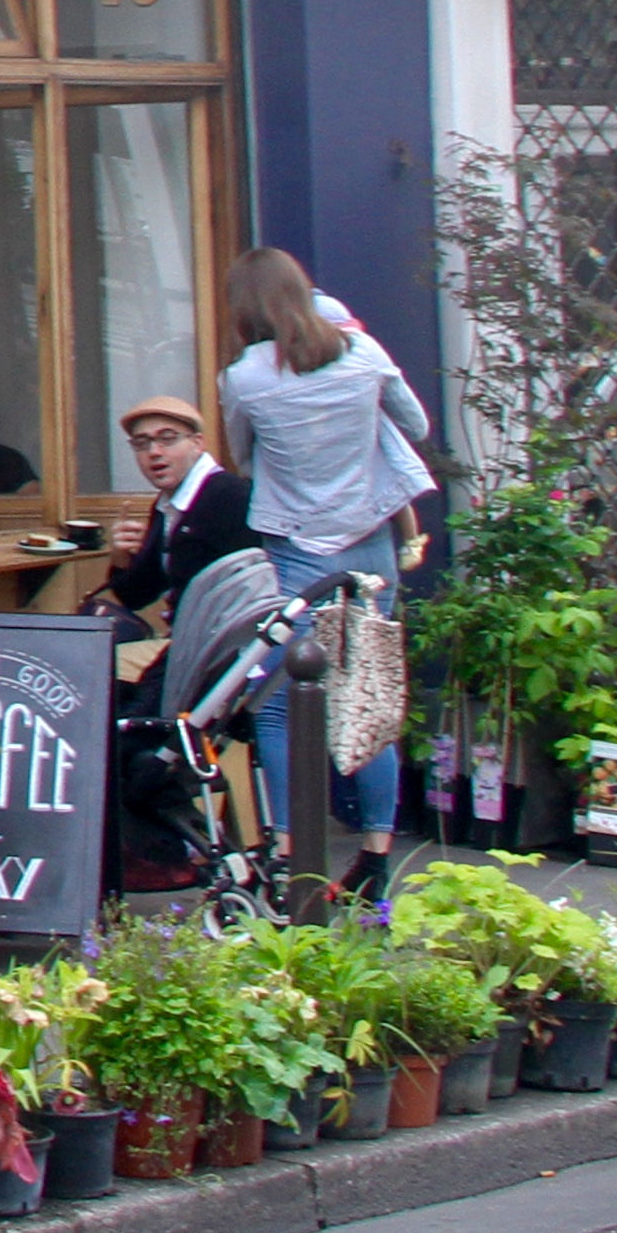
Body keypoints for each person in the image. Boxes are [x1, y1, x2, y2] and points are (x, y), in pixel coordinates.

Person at [219, 246, 440, 886]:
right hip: (372, 542)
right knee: (366, 698)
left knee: (278, 704)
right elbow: (417, 425)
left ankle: (290, 851)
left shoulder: (244, 378)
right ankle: (374, 855)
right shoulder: (362, 354)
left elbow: (241, 455)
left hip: (296, 548)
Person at [98, 394, 261, 695]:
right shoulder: (168, 505)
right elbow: (136, 596)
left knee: (100, 683)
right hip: (185, 644)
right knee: (92, 667)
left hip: (218, 653)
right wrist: (121, 559)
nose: (154, 452)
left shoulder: (231, 497)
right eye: (142, 443)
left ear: (198, 443)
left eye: (168, 439)